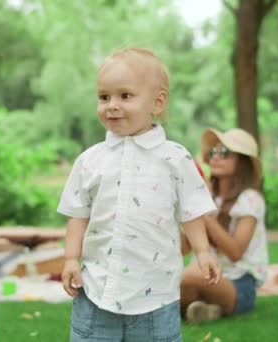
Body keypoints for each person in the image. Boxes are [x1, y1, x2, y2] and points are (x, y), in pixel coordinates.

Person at [57, 47, 221, 341]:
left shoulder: (175, 159)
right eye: (104, 97)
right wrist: (71, 258)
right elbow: (78, 215)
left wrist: (203, 251)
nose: (112, 105)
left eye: (125, 96)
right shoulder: (90, 160)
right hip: (97, 287)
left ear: (157, 102)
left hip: (155, 291)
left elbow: (191, 211)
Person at [180, 128, 269, 323]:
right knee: (173, 280)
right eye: (213, 152)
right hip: (203, 278)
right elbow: (184, 248)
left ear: (243, 162)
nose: (215, 157)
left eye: (224, 153)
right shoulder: (209, 196)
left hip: (239, 285)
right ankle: (207, 310)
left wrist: (202, 213)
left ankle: (199, 305)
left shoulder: (251, 199)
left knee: (187, 277)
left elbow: (235, 251)